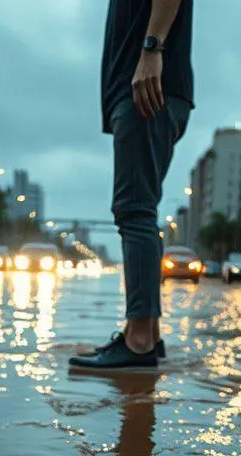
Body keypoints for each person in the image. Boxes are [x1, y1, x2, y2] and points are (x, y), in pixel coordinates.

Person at [69, 0, 194, 370]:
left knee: (134, 211)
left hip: (147, 86)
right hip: (149, 86)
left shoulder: (150, 64)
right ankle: (147, 336)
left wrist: (151, 49)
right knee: (141, 211)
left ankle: (138, 342)